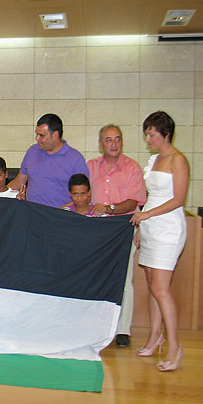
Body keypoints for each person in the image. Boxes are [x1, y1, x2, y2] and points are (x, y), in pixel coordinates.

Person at [131, 111, 189, 372]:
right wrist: (142, 226)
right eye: (146, 133)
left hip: (168, 229)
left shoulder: (178, 160)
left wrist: (147, 215)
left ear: (166, 133)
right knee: (152, 285)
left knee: (161, 289)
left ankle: (175, 347)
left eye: (152, 133)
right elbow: (150, 195)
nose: (148, 138)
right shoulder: (154, 159)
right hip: (151, 228)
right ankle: (156, 336)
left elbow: (178, 200)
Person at [87, 124, 147, 348]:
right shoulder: (90, 166)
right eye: (108, 140)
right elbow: (82, 195)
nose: (113, 144)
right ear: (100, 143)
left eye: (117, 139)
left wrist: (110, 208)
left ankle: (123, 330)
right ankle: (95, 327)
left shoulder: (132, 168)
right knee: (94, 277)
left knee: (124, 280)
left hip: (122, 226)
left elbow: (134, 202)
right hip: (96, 229)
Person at [8, 113, 88, 208]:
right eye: (37, 134)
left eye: (41, 135)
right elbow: (19, 181)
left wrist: (61, 212)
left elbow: (84, 196)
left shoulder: (75, 159)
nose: (37, 139)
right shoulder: (32, 151)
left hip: (60, 217)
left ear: (55, 135)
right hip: (31, 214)